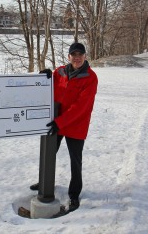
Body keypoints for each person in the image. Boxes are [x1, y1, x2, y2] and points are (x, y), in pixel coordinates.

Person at [31, 42, 98, 212]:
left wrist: (59, 122)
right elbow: (50, 85)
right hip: (58, 122)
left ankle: (74, 194)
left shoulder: (90, 77)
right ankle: (45, 182)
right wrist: (45, 75)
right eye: (73, 55)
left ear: (85, 56)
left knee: (75, 161)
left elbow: (80, 107)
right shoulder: (60, 72)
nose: (77, 58)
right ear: (69, 57)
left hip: (75, 124)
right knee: (49, 153)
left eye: (80, 55)